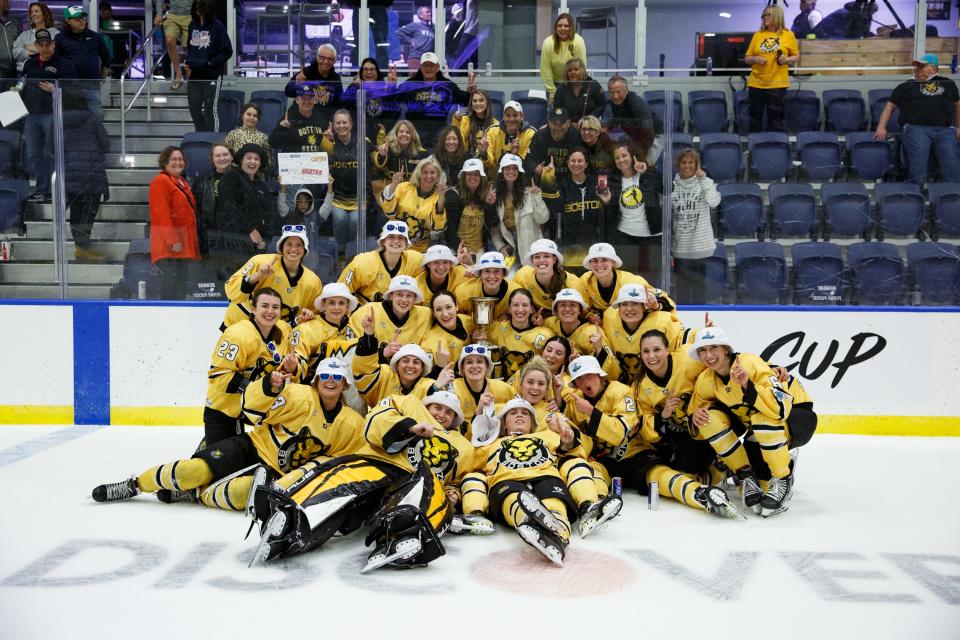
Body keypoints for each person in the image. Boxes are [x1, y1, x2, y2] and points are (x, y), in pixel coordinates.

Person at [90, 356, 364, 510]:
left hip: (279, 472)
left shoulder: (351, 423)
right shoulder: (299, 395)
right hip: (253, 446)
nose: (331, 381)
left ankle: (196, 495)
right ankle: (134, 484)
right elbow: (252, 408)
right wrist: (268, 386)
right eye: (326, 376)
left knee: (246, 494)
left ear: (345, 385)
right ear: (316, 380)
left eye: (337, 378)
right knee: (189, 472)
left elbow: (339, 460)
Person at [247, 391, 470, 570]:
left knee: (426, 492)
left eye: (448, 412)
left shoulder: (464, 447)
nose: (441, 414)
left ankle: (403, 538)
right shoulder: (406, 403)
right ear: (427, 406)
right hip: (381, 463)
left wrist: (455, 494)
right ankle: (291, 525)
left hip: (416, 479)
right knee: (341, 481)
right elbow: (375, 422)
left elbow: (460, 479)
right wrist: (408, 427)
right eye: (437, 408)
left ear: (456, 419)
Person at [688, 327, 817, 517]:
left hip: (797, 416)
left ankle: (783, 477)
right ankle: (745, 475)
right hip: (756, 427)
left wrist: (747, 385)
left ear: (726, 349)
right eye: (703, 350)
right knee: (708, 419)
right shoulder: (706, 379)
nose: (709, 355)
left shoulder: (749, 363)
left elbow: (780, 408)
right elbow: (696, 413)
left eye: (714, 347)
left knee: (762, 417)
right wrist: (695, 416)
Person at [874, 53, 960, 186]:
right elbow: (890, 106)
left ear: (934, 69)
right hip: (916, 128)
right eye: (916, 67)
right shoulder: (906, 86)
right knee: (918, 167)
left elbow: (957, 105)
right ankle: (915, 198)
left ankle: (952, 199)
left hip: (945, 130)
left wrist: (958, 127)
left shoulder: (948, 83)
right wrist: (881, 127)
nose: (917, 70)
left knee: (951, 165)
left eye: (922, 66)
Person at [222, 224, 322, 329]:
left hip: (276, 337)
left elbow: (315, 317)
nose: (293, 249)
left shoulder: (313, 282)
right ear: (281, 247)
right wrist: (257, 276)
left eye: (299, 245)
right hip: (239, 328)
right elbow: (231, 291)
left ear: (305, 249)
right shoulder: (260, 261)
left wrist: (306, 317)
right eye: (289, 244)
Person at [18, 28, 76, 204]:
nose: (45, 48)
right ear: (36, 46)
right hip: (31, 114)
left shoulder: (64, 64)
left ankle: (56, 188)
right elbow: (23, 81)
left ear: (53, 44)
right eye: (41, 45)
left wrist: (56, 89)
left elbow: (76, 88)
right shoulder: (30, 63)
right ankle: (42, 189)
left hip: (52, 113)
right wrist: (17, 88)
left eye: (47, 45)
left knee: (54, 153)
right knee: (34, 154)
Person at [352, 298, 436, 405]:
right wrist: (369, 335)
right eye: (405, 361)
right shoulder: (386, 375)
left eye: (416, 362)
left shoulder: (427, 385)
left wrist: (437, 386)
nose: (410, 365)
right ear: (396, 365)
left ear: (423, 368)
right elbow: (364, 368)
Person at [319, 108, 373, 261]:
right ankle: (342, 250)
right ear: (333, 125)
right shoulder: (328, 142)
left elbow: (377, 160)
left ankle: (351, 253)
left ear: (351, 124)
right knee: (340, 219)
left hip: (359, 197)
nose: (341, 126)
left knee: (356, 221)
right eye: (338, 123)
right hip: (338, 196)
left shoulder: (363, 142)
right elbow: (320, 164)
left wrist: (382, 152)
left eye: (344, 122)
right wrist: (326, 142)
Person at [149, 146, 201, 299]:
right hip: (170, 246)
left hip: (181, 244)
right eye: (174, 159)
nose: (178, 162)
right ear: (165, 161)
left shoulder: (181, 182)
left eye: (181, 159)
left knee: (179, 287)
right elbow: (161, 214)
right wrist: (173, 240)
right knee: (171, 289)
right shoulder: (161, 181)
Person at [540, 147, 612, 253]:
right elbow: (555, 208)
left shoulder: (598, 183)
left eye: (580, 160)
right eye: (573, 161)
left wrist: (606, 203)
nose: (576, 164)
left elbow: (609, 216)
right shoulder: (562, 185)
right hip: (569, 243)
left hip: (595, 242)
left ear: (586, 164)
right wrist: (548, 178)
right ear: (568, 164)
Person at [350, 274, 434, 364]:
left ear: (414, 299)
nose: (404, 300)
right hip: (375, 372)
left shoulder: (426, 314)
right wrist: (382, 352)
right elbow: (352, 354)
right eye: (399, 294)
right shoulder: (368, 312)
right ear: (391, 296)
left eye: (409, 295)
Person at [193, 142, 247, 281]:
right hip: (211, 239)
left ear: (231, 156)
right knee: (214, 282)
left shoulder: (243, 178)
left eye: (225, 154)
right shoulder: (202, 180)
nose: (222, 158)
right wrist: (204, 236)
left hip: (237, 239)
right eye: (218, 155)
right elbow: (196, 212)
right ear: (212, 159)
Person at [671, 149, 719, 305]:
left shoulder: (707, 183)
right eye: (683, 162)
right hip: (680, 248)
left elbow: (714, 202)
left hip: (700, 246)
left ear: (697, 165)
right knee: (682, 291)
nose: (687, 166)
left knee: (699, 290)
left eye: (691, 162)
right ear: (678, 165)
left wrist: (703, 180)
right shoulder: (671, 186)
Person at [608, 141, 662, 279]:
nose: (621, 160)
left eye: (624, 155)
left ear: (632, 156)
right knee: (626, 278)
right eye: (617, 157)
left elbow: (667, 189)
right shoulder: (613, 180)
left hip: (652, 236)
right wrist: (607, 202)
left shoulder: (646, 173)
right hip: (625, 235)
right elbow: (611, 211)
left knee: (652, 278)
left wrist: (647, 172)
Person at [63, 105, 110, 263]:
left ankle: (80, 248)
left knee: (76, 212)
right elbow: (105, 143)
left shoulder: (58, 119)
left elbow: (51, 147)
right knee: (87, 213)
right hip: (92, 172)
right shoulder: (92, 118)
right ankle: (83, 249)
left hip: (70, 173)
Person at [399, 52, 474, 148]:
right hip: (415, 128)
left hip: (439, 128)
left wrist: (470, 92)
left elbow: (465, 100)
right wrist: (390, 85)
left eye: (431, 65)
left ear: (437, 67)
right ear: (421, 67)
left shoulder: (447, 85)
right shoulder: (410, 83)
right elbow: (395, 98)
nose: (428, 69)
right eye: (425, 65)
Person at [338, 221, 423, 304]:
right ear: (383, 241)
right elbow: (341, 290)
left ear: (406, 244)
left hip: (398, 313)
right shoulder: (364, 262)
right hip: (365, 313)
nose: (396, 241)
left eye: (400, 237)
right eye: (391, 237)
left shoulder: (415, 260)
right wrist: (358, 311)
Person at [744, 4, 799, 133]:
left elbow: (796, 57)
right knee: (755, 119)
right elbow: (747, 58)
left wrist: (787, 59)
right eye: (763, 15)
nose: (764, 17)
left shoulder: (788, 35)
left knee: (776, 119)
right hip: (756, 83)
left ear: (776, 16)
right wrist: (755, 59)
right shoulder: (758, 35)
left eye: (767, 15)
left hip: (777, 83)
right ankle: (754, 148)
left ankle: (775, 148)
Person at [580, 242, 673, 313]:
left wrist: (656, 306)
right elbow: (582, 307)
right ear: (590, 264)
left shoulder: (631, 281)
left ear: (613, 262)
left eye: (604, 260)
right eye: (595, 261)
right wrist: (592, 316)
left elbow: (663, 298)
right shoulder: (585, 280)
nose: (599, 264)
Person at [487, 154, 549, 261]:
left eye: (515, 168)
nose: (511, 171)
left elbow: (543, 218)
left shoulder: (530, 192)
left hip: (531, 248)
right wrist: (500, 246)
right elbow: (494, 228)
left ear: (519, 172)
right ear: (502, 170)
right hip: (509, 248)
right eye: (508, 168)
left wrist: (537, 198)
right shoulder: (495, 195)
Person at [381, 154, 448, 252]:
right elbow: (389, 212)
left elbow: (438, 228)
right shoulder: (403, 187)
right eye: (425, 172)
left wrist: (441, 196)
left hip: (419, 250)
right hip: (392, 242)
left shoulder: (439, 197)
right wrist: (394, 185)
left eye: (432, 172)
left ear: (438, 175)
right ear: (419, 174)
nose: (429, 176)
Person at [184, 0, 232, 132]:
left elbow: (228, 50)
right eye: (197, 5)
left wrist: (211, 63)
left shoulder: (217, 26)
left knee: (211, 109)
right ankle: (201, 135)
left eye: (201, 6)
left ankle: (213, 141)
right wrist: (189, 62)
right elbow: (190, 47)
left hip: (212, 75)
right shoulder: (192, 24)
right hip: (194, 76)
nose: (198, 8)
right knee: (194, 109)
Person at [218, 143, 273, 258]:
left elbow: (268, 213)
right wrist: (250, 230)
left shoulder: (261, 185)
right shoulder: (231, 177)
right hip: (234, 243)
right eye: (248, 158)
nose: (252, 162)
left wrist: (265, 240)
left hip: (257, 246)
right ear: (241, 160)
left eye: (256, 159)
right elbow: (229, 208)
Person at [487, 288, 554, 381]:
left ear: (531, 309)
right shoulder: (496, 328)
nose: (520, 309)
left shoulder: (545, 334)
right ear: (509, 308)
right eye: (515, 305)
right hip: (500, 387)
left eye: (525, 305)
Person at [55, 5, 110, 113]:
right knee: (72, 119)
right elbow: (57, 62)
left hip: (92, 86)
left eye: (83, 17)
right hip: (70, 87)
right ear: (68, 20)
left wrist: (102, 77)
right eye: (77, 18)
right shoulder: (60, 38)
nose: (82, 21)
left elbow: (106, 57)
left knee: (94, 119)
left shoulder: (95, 36)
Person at [513, 238, 588, 313]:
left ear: (554, 260)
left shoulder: (573, 284)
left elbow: (585, 312)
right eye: (537, 257)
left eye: (546, 256)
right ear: (532, 260)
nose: (541, 260)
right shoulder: (522, 275)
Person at [371, 119, 427, 213]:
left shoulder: (420, 153)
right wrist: (382, 155)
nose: (404, 134)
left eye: (408, 132)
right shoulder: (388, 148)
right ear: (396, 134)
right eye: (401, 131)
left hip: (411, 195)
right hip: (388, 191)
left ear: (412, 135)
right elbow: (378, 165)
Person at [284, 43, 343, 127]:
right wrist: (297, 84)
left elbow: (338, 104)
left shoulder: (335, 78)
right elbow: (288, 92)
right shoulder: (306, 73)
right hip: (301, 119)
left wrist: (333, 122)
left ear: (334, 61)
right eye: (322, 58)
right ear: (317, 58)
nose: (326, 62)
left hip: (324, 121)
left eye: (330, 59)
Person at [419, 288, 474, 370]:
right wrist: (440, 367)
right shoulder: (430, 345)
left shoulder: (468, 321)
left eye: (448, 307)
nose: (445, 314)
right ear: (434, 313)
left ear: (456, 306)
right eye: (438, 309)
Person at [477, 100, 536, 177]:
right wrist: (483, 154)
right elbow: (489, 164)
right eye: (508, 115)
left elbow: (528, 165)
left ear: (522, 116)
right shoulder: (492, 131)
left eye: (515, 115)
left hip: (521, 181)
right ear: (503, 117)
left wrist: (516, 155)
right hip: (495, 180)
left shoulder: (531, 134)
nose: (511, 119)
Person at [453, 251, 519, 320]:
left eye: (497, 271)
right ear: (480, 274)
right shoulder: (464, 292)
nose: (492, 276)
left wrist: (509, 317)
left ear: (503, 274)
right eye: (487, 271)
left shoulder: (516, 292)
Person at [443, 157, 489, 255]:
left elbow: (492, 223)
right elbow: (449, 229)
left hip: (479, 250)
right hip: (456, 250)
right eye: (469, 174)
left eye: (476, 174)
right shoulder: (453, 196)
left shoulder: (485, 196)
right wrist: (462, 250)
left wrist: (491, 205)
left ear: (481, 177)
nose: (473, 177)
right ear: (463, 176)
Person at [523, 106, 581, 182]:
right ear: (549, 123)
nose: (558, 127)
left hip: (570, 181)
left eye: (562, 123)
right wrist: (536, 167)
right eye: (554, 123)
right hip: (545, 181)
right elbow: (528, 160)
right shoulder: (540, 136)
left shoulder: (576, 136)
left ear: (569, 123)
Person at [539, 13, 586, 102]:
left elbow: (581, 68)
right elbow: (545, 70)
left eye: (566, 26)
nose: (563, 28)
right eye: (560, 26)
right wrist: (552, 92)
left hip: (574, 85)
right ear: (556, 28)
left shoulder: (578, 41)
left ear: (571, 27)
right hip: (554, 85)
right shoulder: (548, 43)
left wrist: (575, 89)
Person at [603, 75, 655, 154]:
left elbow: (647, 132)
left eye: (618, 92)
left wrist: (640, 154)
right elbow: (618, 119)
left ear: (626, 90)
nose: (615, 96)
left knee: (643, 163)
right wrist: (607, 127)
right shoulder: (615, 101)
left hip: (654, 135)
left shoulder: (637, 103)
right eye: (612, 92)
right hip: (634, 135)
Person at [552, 58, 604, 124]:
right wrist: (567, 122)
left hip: (590, 125)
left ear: (582, 71)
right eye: (569, 70)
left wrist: (589, 120)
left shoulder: (593, 85)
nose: (572, 72)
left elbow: (602, 105)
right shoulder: (561, 89)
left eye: (576, 69)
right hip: (568, 127)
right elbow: (557, 109)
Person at [155, 0, 193, 89]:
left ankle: (191, 79)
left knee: (189, 48)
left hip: (189, 15)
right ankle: (179, 76)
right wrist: (159, 14)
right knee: (169, 40)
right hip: (172, 15)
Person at [224, 102, 272, 171]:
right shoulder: (232, 134)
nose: (252, 117)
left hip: (256, 173)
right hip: (236, 172)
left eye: (255, 116)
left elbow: (268, 160)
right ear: (242, 116)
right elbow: (226, 155)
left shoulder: (263, 137)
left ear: (258, 119)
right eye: (249, 114)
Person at [12, 2, 57, 74]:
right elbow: (15, 53)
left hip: (48, 73)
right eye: (31, 12)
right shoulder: (24, 35)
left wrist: (30, 47)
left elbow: (56, 53)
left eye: (36, 11)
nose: (33, 14)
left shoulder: (55, 33)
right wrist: (32, 54)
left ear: (45, 14)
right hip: (24, 74)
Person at [452, 89, 497, 155]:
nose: (478, 103)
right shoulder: (463, 119)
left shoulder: (495, 123)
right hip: (466, 159)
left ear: (487, 103)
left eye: (481, 100)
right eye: (474, 101)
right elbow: (458, 140)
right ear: (471, 103)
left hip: (485, 160)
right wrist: (457, 121)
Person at [396, 5, 435, 72]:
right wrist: (410, 41)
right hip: (416, 58)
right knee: (416, 80)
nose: (430, 14)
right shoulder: (415, 25)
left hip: (428, 59)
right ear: (421, 15)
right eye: (427, 12)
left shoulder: (432, 28)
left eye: (430, 12)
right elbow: (399, 32)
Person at [0, 0, 15, 82]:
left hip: (12, 69)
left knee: (11, 94)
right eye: (5, 1)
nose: (7, 3)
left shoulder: (13, 21)